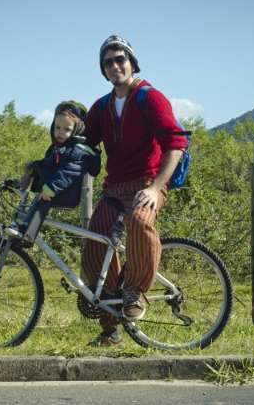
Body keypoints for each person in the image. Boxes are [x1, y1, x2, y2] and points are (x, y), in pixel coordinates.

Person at [82, 35, 188, 346]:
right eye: (107, 62)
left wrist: (156, 188)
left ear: (132, 62)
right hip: (114, 188)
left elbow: (176, 145)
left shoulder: (150, 98)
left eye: (120, 59)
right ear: (103, 70)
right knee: (95, 241)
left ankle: (136, 292)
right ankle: (110, 326)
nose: (114, 66)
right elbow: (83, 146)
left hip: (147, 182)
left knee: (140, 222)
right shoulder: (100, 107)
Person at [15, 101, 100, 244]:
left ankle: (27, 234)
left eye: (67, 129)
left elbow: (68, 173)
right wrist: (30, 170)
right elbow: (46, 165)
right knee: (38, 199)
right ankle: (24, 228)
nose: (60, 132)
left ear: (76, 130)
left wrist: (51, 189)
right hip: (59, 190)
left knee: (41, 201)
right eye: (57, 127)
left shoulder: (77, 151)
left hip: (68, 193)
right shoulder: (59, 148)